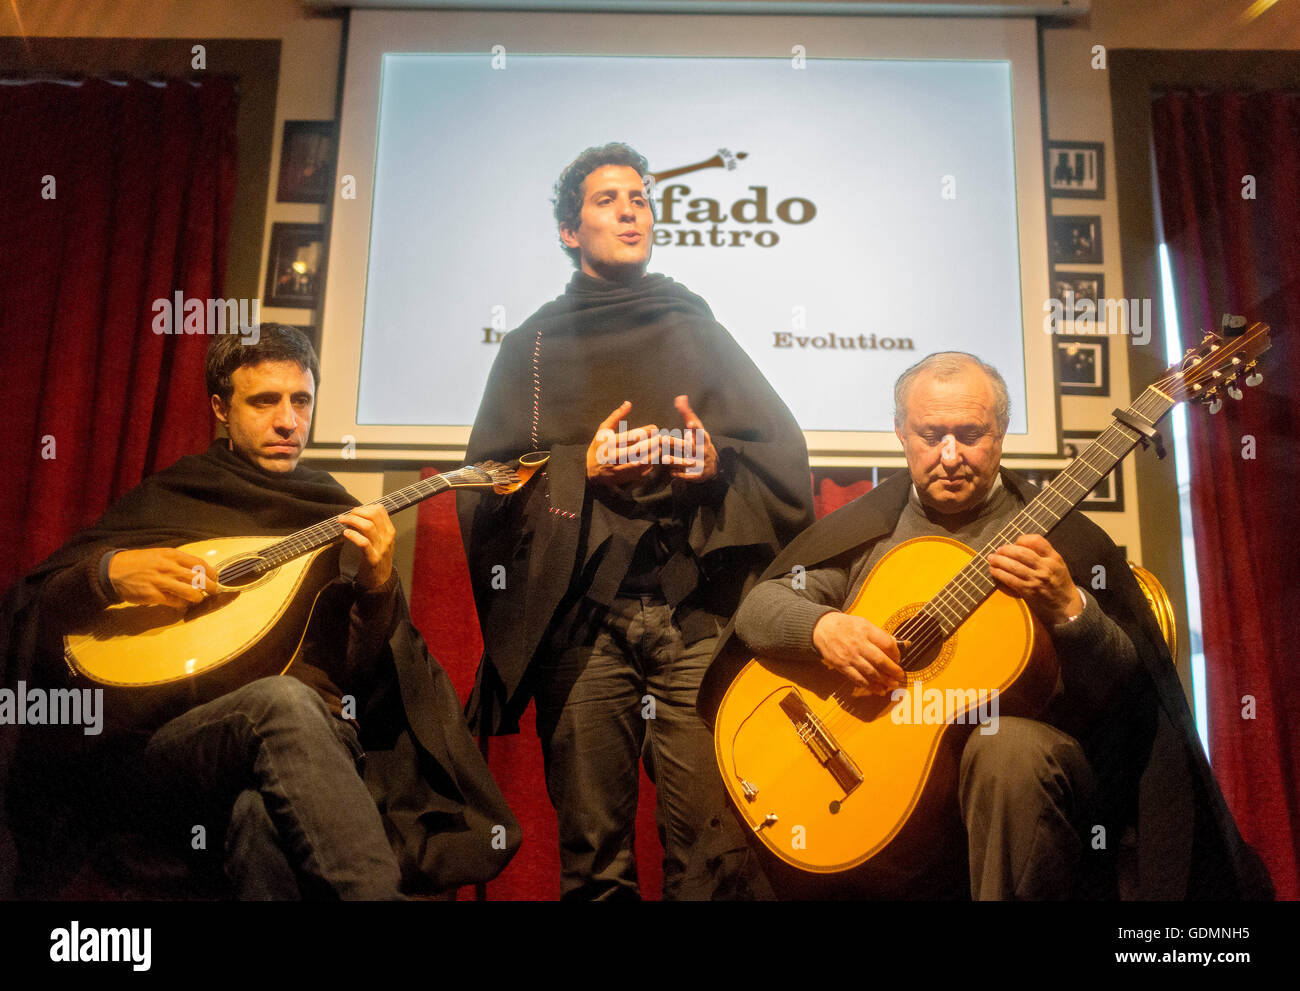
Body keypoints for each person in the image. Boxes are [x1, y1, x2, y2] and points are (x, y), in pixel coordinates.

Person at [693, 351, 1271, 900]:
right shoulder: (870, 530)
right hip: (884, 779)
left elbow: (1125, 689)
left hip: (1023, 779)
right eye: (930, 435)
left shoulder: (1065, 541)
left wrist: (1069, 608)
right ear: (901, 435)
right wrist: (822, 630)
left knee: (1006, 749)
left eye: (970, 435)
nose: (949, 455)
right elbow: (761, 607)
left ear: (1000, 435)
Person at [0, 323, 519, 899]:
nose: (287, 422)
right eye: (264, 401)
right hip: (173, 742)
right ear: (220, 408)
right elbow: (29, 610)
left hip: (317, 741)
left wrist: (376, 588)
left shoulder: (334, 509)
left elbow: (368, 676)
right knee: (279, 700)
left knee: (259, 819)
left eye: (301, 401)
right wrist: (106, 573)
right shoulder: (176, 494)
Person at [458, 142, 814, 900]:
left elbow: (779, 458)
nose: (630, 210)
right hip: (583, 625)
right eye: (607, 199)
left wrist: (713, 466)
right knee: (594, 858)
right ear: (568, 230)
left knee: (713, 853)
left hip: (692, 618)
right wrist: (576, 470)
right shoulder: (531, 347)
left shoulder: (696, 329)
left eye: (641, 198)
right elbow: (485, 489)